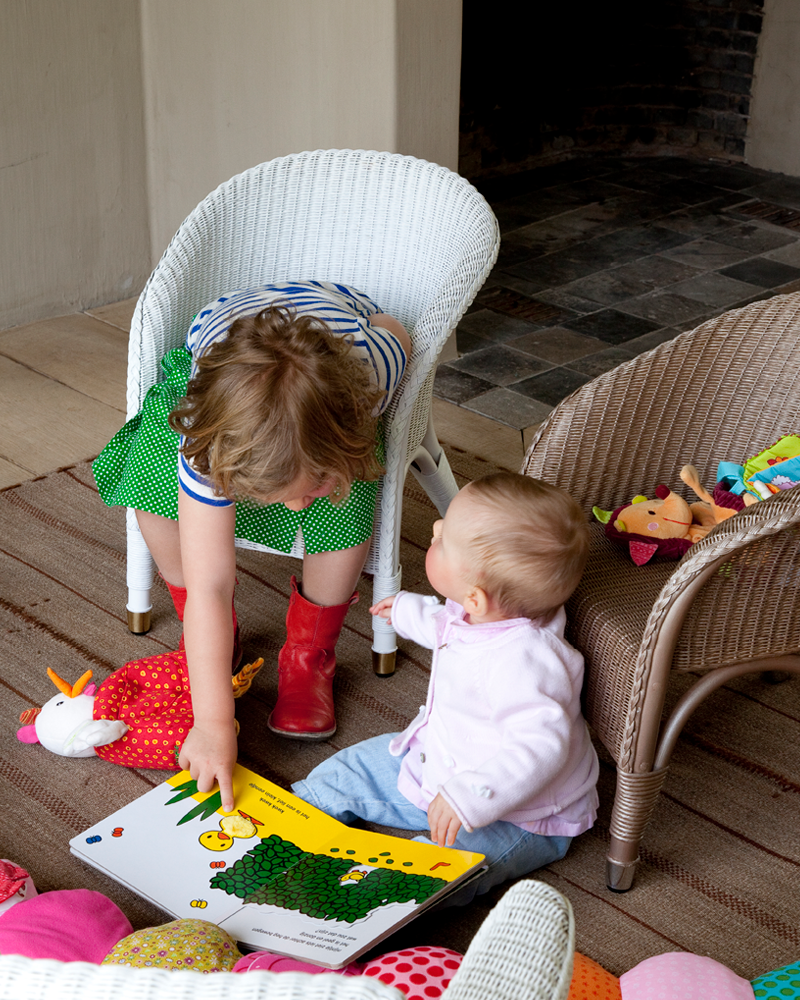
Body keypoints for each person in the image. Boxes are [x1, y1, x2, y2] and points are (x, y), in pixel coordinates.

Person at [93, 281, 411, 811]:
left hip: (333, 361)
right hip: (221, 371)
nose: (293, 511)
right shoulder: (205, 441)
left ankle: (310, 654)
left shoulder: (372, 369)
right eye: (280, 497)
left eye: (304, 491)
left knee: (348, 501)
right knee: (150, 485)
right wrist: (213, 722)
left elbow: (393, 329)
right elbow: (211, 584)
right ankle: (215, 643)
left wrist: (328, 484)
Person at [291, 472, 598, 905]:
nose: (433, 529)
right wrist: (405, 611)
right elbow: (446, 626)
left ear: (476, 598)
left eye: (443, 538)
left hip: (517, 813)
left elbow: (541, 748)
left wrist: (468, 797)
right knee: (353, 768)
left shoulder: (526, 662)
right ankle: (292, 815)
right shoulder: (482, 610)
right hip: (437, 759)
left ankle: (369, 900)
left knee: (440, 872)